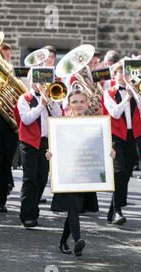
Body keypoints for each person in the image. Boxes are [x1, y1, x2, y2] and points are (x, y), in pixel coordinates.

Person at [47, 89, 115, 256]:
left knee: (74, 208)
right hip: (68, 172)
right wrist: (50, 154)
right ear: (69, 104)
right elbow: (56, 147)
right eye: (75, 101)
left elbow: (100, 147)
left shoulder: (95, 123)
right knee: (73, 206)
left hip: (86, 171)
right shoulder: (61, 124)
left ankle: (63, 242)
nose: (78, 105)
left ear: (86, 104)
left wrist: (110, 154)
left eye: (81, 102)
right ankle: (77, 240)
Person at [102, 62, 141, 225]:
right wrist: (128, 97)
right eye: (120, 73)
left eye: (126, 73)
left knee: (126, 173)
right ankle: (117, 210)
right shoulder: (108, 93)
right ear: (114, 75)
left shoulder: (135, 91)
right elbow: (114, 113)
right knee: (119, 172)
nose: (124, 76)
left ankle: (113, 210)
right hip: (115, 135)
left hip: (132, 135)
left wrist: (137, 94)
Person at [15, 71, 63, 228]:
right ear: (29, 81)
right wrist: (41, 105)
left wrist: (50, 101)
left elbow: (58, 115)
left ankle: (33, 208)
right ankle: (27, 215)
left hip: (45, 142)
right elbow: (26, 119)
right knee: (30, 178)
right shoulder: (24, 98)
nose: (40, 84)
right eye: (36, 80)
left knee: (42, 177)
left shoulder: (50, 97)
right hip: (28, 142)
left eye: (44, 81)